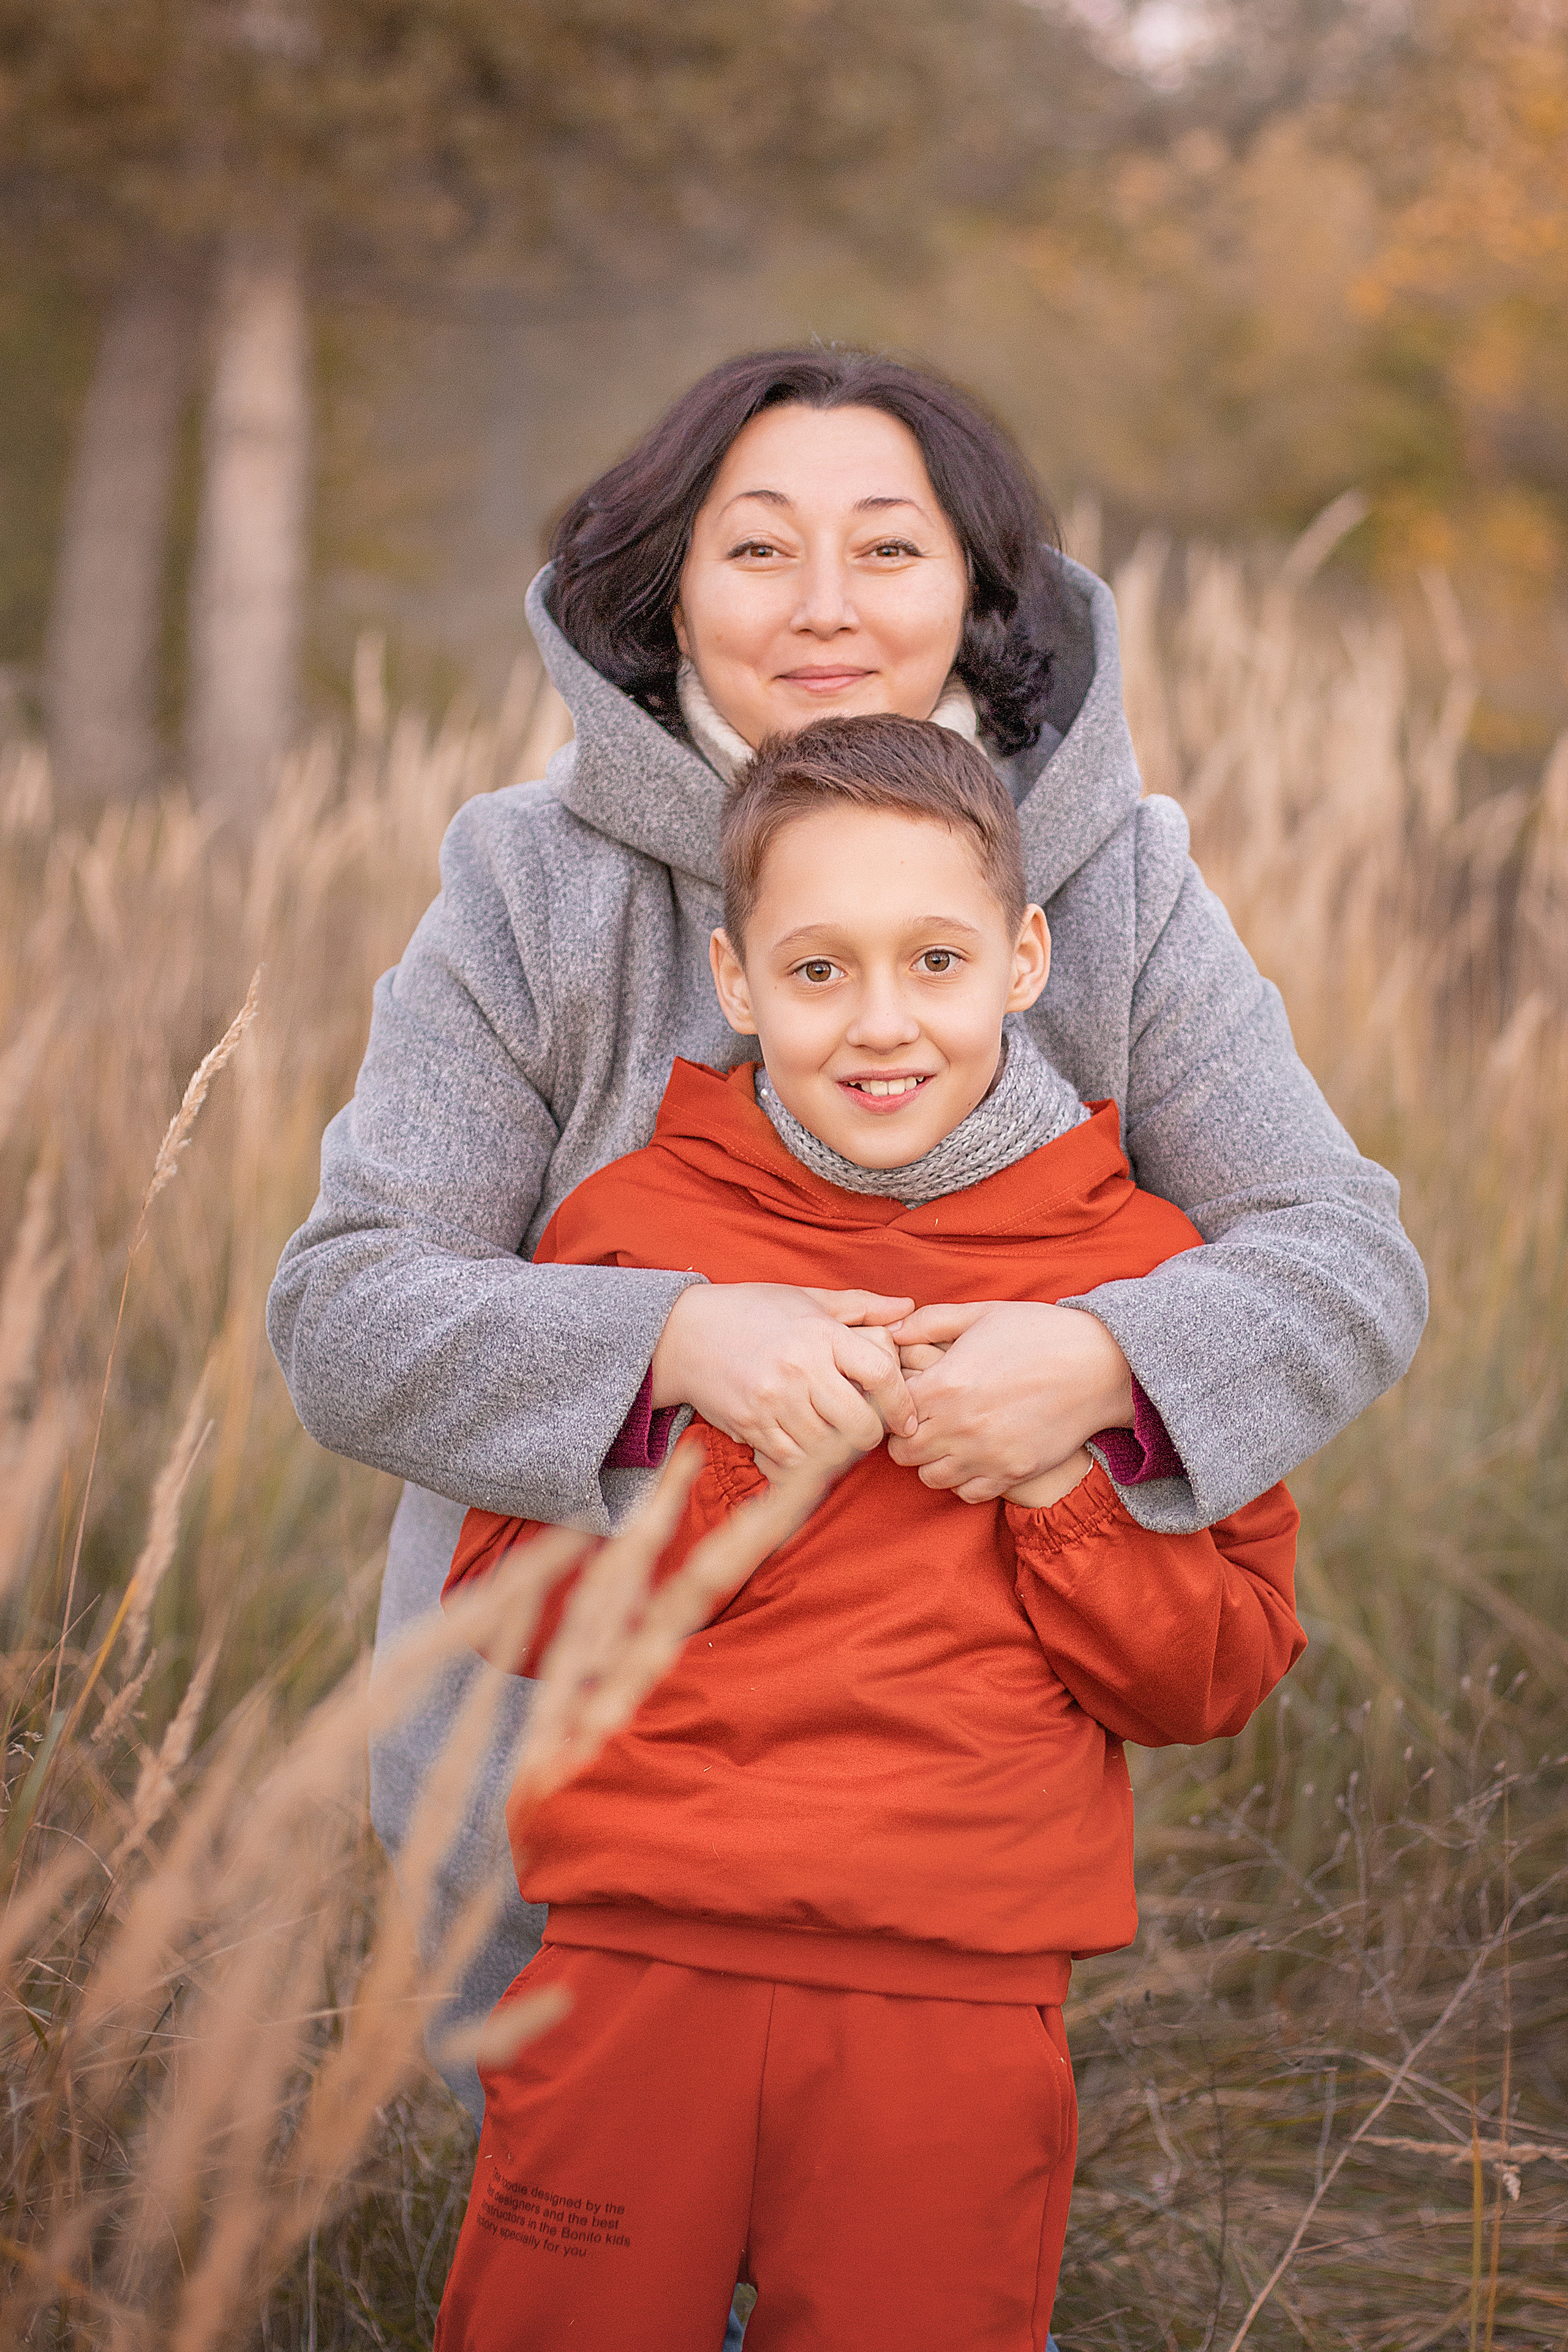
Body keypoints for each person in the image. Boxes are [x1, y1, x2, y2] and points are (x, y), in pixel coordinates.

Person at [266, 349, 1425, 2335]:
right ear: (670, 589)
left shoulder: (1112, 882)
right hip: (560, 1808)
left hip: (944, 1856)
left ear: (973, 589)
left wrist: (1105, 1368)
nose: (826, 601)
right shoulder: (531, 884)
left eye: (888, 547)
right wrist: (674, 1338)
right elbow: (347, 1306)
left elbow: (1344, 1255)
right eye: (761, 547)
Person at [432, 714, 1307, 2352]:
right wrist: (733, 1453)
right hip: (630, 1974)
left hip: (958, 2001)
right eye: (819, 972)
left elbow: (1215, 1674)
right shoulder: (630, 1237)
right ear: (739, 980)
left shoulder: (1154, 1281)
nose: (882, 1022)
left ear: (1027, 956)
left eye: (935, 958)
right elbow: (510, 1612)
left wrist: (1058, 1485)